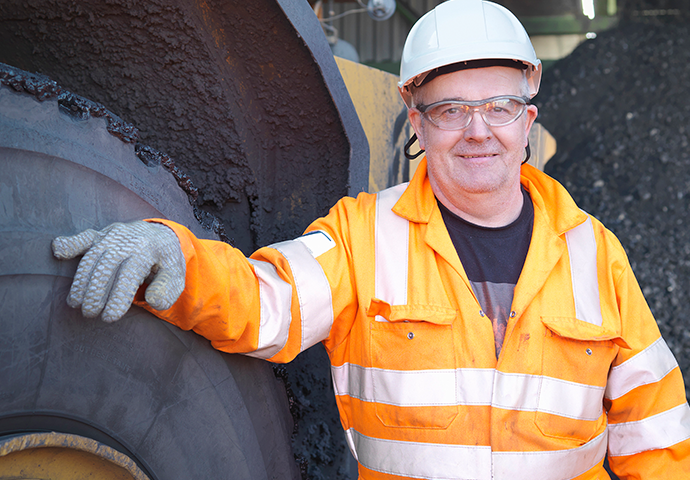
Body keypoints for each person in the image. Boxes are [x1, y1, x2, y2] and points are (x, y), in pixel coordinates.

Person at [52, 0, 690, 478]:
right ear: (415, 120)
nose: (477, 130)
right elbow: (265, 302)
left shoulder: (595, 253)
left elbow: (655, 435)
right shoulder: (365, 236)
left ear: (529, 118)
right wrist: (178, 260)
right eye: (449, 109)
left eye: (498, 106)